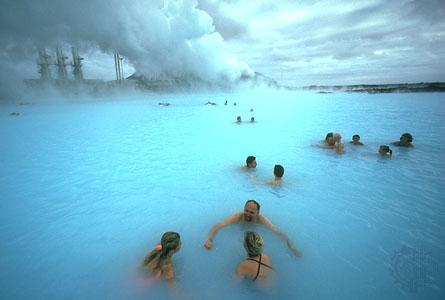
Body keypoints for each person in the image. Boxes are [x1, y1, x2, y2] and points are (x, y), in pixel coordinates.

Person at [203, 200, 302, 256]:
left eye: (251, 212)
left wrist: (291, 247)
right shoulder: (238, 216)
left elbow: (278, 232)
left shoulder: (261, 220)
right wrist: (209, 239)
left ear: (258, 213)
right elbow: (219, 225)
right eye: (246, 210)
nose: (248, 214)